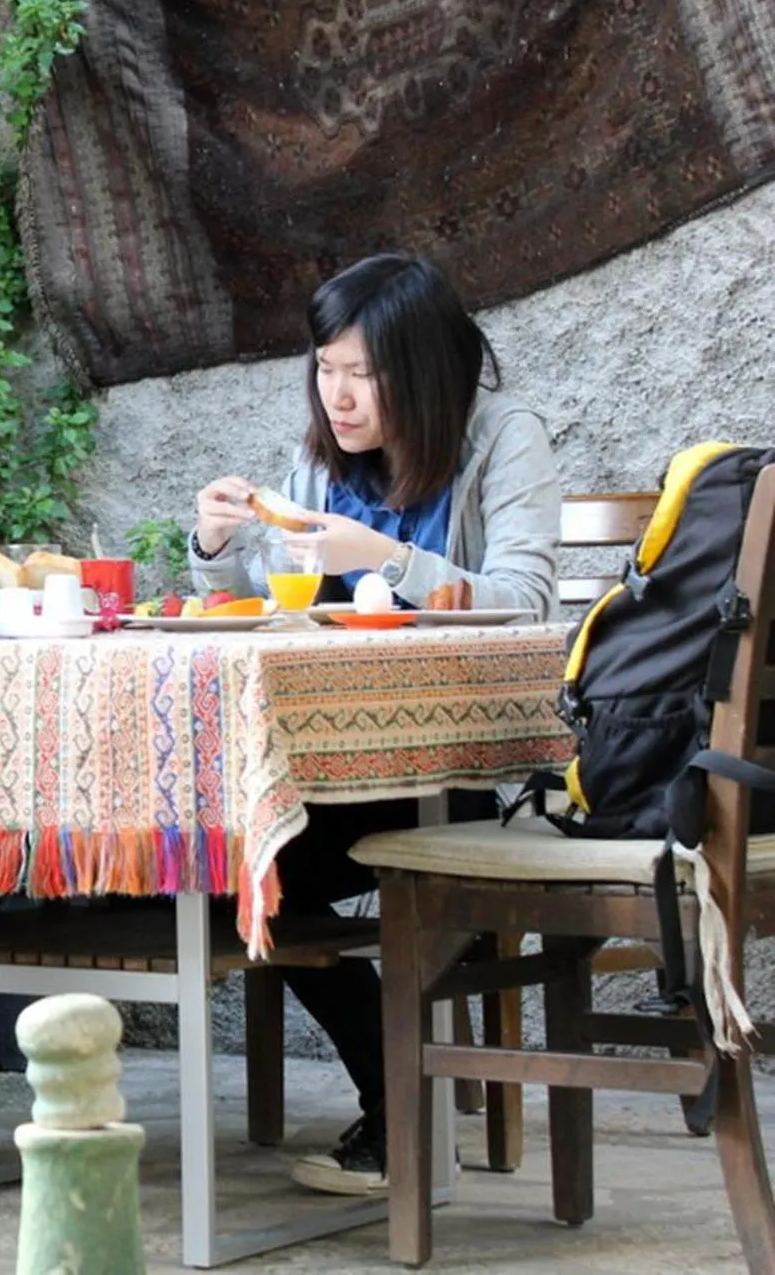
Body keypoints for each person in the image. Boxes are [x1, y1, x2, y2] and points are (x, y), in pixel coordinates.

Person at [188, 251, 559, 1196]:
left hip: (456, 757)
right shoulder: (320, 459)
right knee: (230, 854)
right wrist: (216, 547)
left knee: (264, 862)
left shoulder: (502, 435)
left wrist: (388, 557)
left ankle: (402, 1108)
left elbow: (527, 598)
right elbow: (272, 605)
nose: (340, 397)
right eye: (326, 369)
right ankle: (403, 1092)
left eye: (363, 373)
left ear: (425, 368)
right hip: (329, 753)